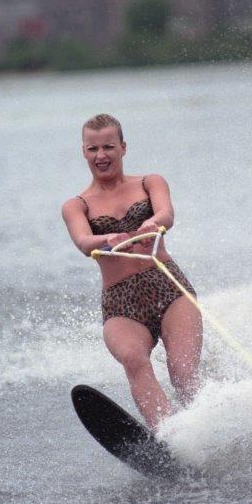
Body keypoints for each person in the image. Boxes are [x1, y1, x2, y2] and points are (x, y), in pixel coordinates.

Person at [62, 113, 202, 431]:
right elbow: (83, 242)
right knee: (133, 359)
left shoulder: (149, 183)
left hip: (167, 287)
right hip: (120, 302)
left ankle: (206, 432)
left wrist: (153, 222)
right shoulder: (76, 205)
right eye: (93, 149)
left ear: (123, 148)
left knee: (183, 373)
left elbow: (166, 214)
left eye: (108, 147)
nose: (101, 155)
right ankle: (171, 435)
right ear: (84, 152)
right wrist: (107, 238)